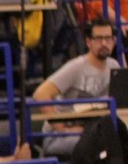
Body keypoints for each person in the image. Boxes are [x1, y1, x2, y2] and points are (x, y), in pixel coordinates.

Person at [32, 19, 123, 157]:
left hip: (94, 131)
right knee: (104, 144)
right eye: (99, 39)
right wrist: (62, 129)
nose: (104, 43)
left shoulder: (113, 66)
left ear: (114, 41)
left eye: (108, 38)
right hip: (60, 136)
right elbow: (40, 94)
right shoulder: (75, 67)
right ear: (88, 42)